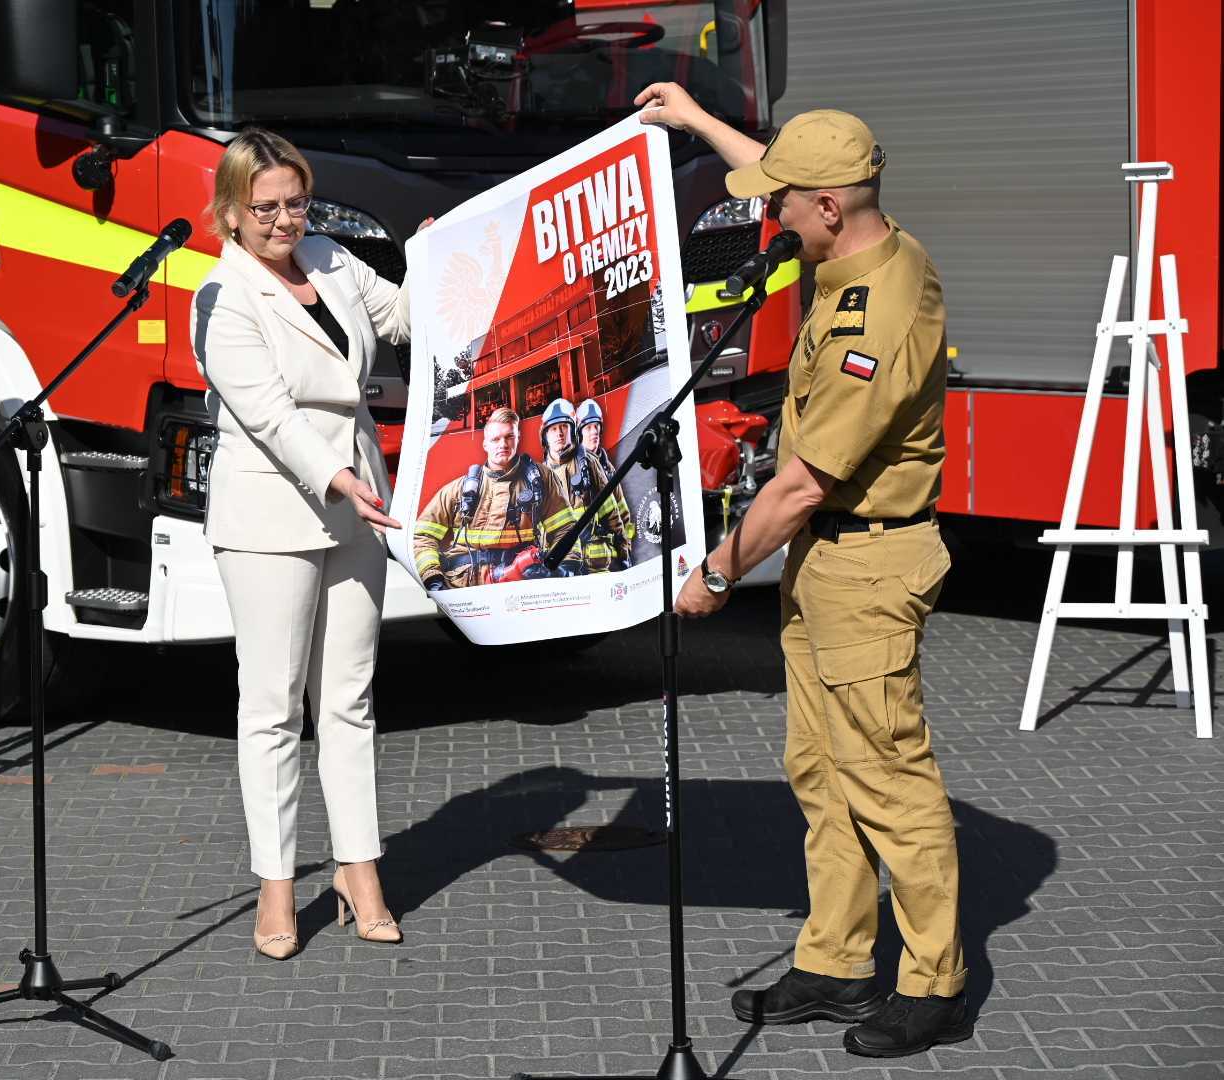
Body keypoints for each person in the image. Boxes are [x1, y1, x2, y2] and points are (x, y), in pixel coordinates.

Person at [637, 84, 970, 1058]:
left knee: (890, 780)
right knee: (823, 772)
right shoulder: (852, 232)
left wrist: (714, 574)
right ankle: (836, 961)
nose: (770, 215)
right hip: (827, 561)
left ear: (828, 208)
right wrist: (695, 120)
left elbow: (798, 486)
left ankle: (934, 983)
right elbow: (791, 172)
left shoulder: (879, 318)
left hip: (868, 563)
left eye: (783, 203)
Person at [192, 128, 416, 959]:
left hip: (357, 505)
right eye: (267, 208)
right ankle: (277, 887)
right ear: (231, 211)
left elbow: (402, 318)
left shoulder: (329, 258)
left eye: (297, 202)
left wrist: (437, 258)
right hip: (272, 514)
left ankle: (360, 871)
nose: (286, 221)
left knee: (349, 701)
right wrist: (337, 477)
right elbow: (270, 417)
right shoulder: (222, 296)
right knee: (273, 709)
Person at [412, 407, 582, 588]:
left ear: (518, 438)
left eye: (509, 437)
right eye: (495, 439)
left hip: (522, 582)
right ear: (485, 444)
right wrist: (433, 579)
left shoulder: (542, 479)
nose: (503, 444)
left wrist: (565, 567)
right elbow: (422, 536)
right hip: (464, 585)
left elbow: (565, 529)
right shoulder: (459, 489)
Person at [540, 398, 633, 573]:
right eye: (553, 429)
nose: (559, 433)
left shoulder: (589, 462)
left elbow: (612, 513)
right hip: (563, 568)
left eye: (564, 427)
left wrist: (624, 554)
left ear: (572, 430)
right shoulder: (540, 476)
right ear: (545, 436)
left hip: (596, 564)